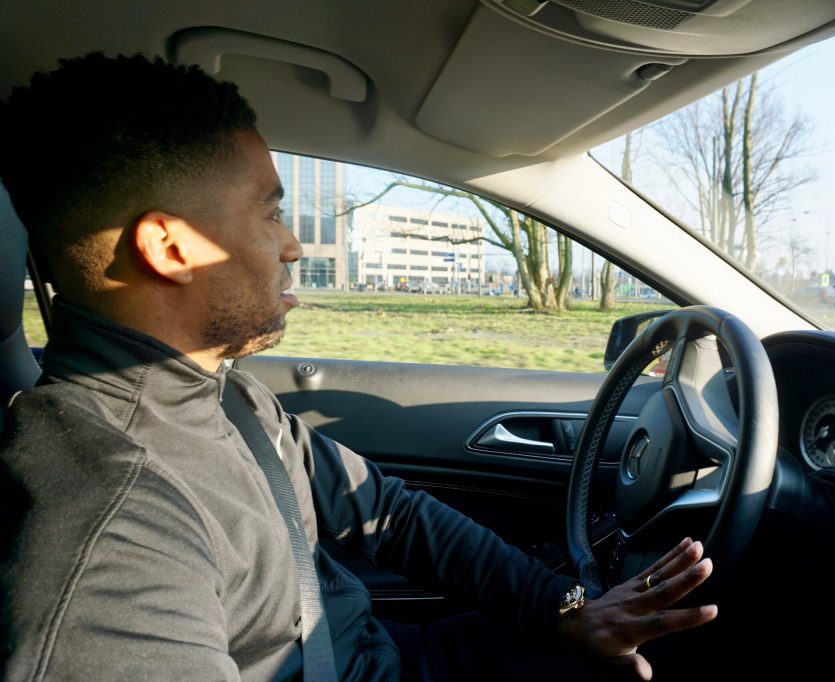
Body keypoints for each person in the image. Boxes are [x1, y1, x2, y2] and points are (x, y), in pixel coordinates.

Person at [0, 53, 717, 681]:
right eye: (269, 214)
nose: (292, 246)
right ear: (171, 248)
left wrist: (564, 611)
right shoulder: (108, 527)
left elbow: (388, 512)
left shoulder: (225, 396)